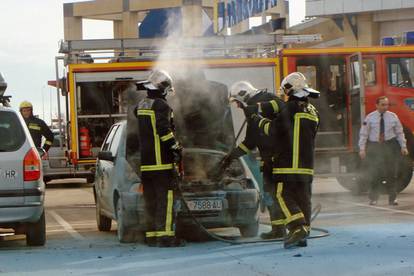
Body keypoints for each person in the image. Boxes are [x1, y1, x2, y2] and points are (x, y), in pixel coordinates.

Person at [244, 72, 320, 249]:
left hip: (287, 165)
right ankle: (302, 234)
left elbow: (273, 130)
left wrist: (256, 119)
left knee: (282, 195)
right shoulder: (313, 111)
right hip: (307, 166)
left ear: (290, 89)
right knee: (303, 198)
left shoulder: (290, 108)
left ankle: (297, 226)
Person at [222, 81, 286, 239]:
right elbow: (251, 141)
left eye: (237, 102)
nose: (237, 107)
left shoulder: (267, 98)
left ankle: (289, 227)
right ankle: (278, 229)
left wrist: (257, 108)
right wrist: (232, 155)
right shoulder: (249, 111)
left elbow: (281, 105)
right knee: (270, 194)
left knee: (280, 195)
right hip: (267, 159)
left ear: (244, 95)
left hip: (280, 157)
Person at [136, 70, 185, 247]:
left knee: (150, 201)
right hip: (161, 163)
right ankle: (165, 237)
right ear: (163, 90)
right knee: (166, 200)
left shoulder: (141, 105)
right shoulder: (162, 106)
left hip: (146, 165)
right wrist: (175, 148)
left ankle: (151, 236)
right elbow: (164, 132)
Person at [359, 96, 409, 206]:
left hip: (389, 146)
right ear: (376, 105)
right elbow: (364, 134)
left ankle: (393, 199)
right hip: (375, 146)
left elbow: (400, 133)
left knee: (391, 173)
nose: (385, 107)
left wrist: (403, 146)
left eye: (387, 105)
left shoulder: (393, 117)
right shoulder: (370, 118)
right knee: (375, 173)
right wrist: (362, 149)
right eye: (382, 105)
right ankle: (373, 199)